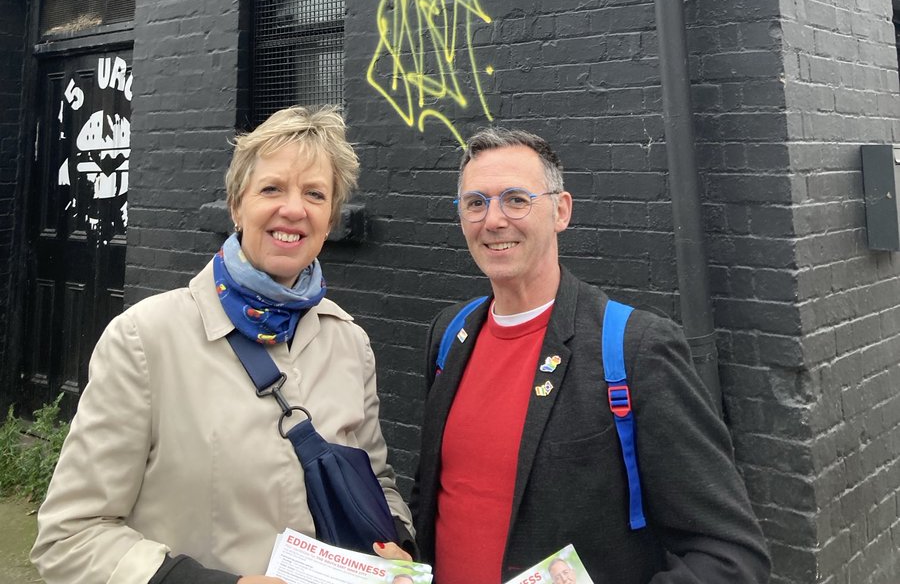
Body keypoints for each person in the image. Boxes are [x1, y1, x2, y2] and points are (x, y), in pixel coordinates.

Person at [33, 106, 413, 584]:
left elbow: (377, 483)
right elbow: (69, 537)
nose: (293, 209)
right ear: (237, 206)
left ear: (330, 217)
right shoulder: (146, 338)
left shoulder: (349, 342)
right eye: (271, 188)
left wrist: (396, 546)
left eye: (315, 194)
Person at [411, 127, 771, 584]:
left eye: (516, 199)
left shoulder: (635, 348)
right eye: (476, 202)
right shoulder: (449, 334)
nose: (494, 220)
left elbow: (730, 555)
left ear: (561, 210)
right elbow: (432, 491)